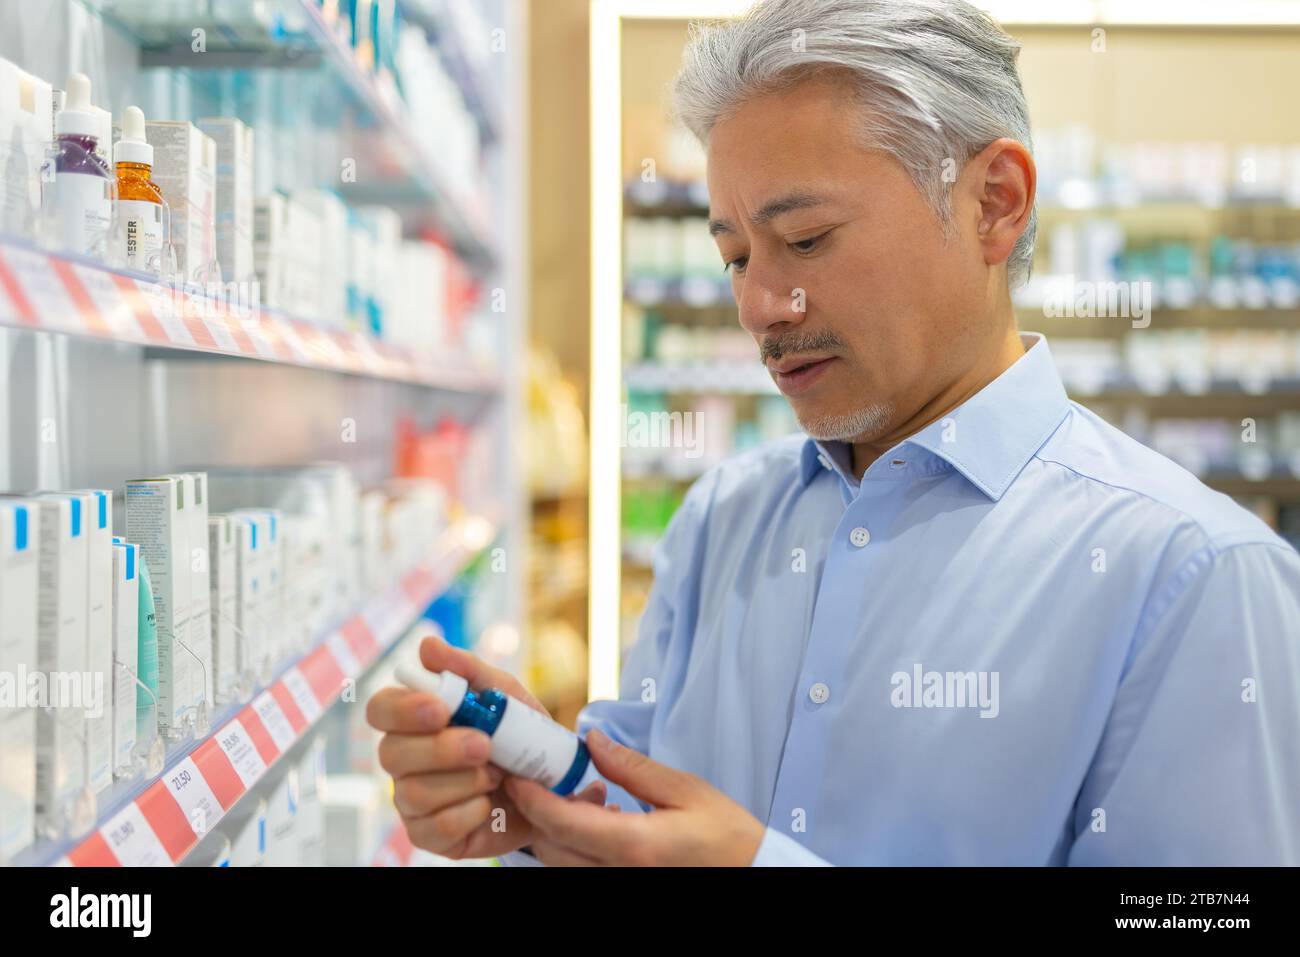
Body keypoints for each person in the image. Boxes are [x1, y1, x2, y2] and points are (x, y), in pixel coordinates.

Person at [366, 0, 1300, 865]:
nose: (761, 306)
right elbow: (648, 821)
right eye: (734, 255)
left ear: (993, 202)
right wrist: (546, 804)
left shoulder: (1194, 575)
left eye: (806, 240)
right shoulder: (724, 516)